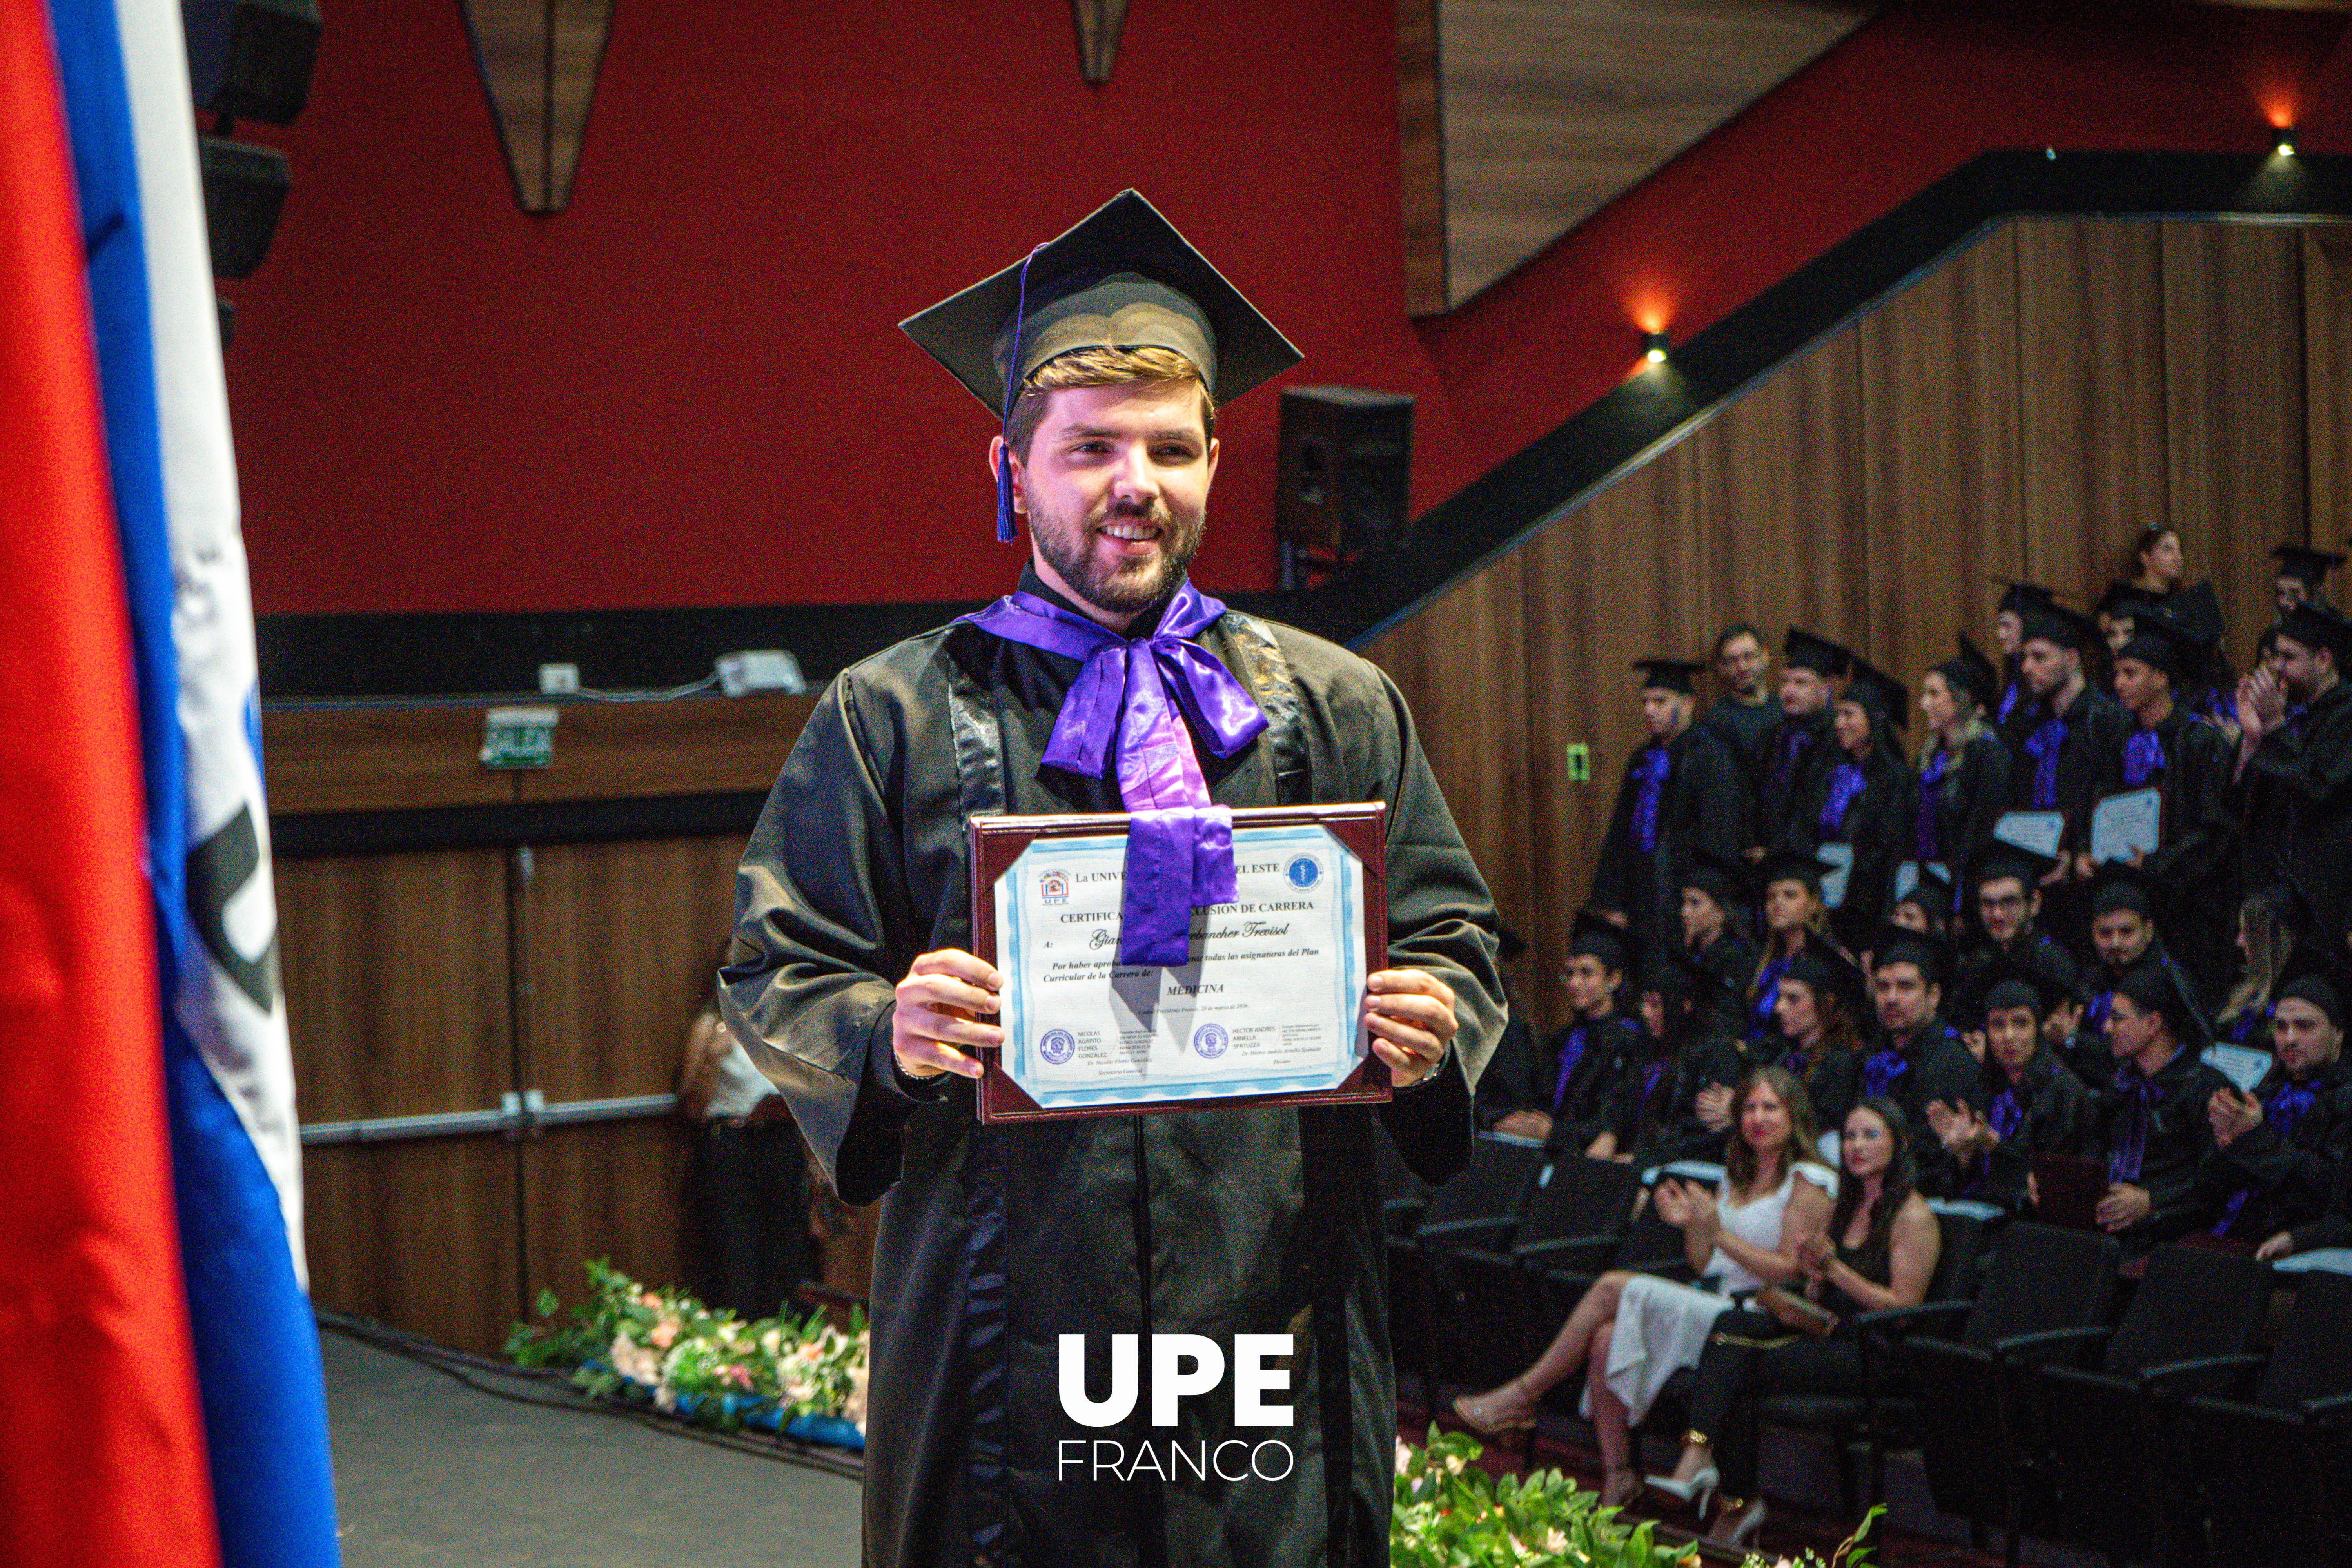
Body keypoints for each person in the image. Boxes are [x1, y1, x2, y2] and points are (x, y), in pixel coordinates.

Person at [719, 192, 1507, 1568]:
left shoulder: (1335, 707)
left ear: (1213, 461)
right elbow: (782, 968)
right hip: (1003, 1318)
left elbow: (1452, 935)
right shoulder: (889, 714)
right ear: (1012, 468)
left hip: (1268, 1304)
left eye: (1168, 447)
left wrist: (1431, 1018)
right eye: (1088, 449)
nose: (1132, 483)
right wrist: (887, 1035)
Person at [1451, 1069, 1833, 1510]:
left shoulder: (1809, 1179)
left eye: (1770, 1107)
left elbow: (1789, 1271)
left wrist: (1718, 1232)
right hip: (1709, 1297)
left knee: (1615, 1285)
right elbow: (1703, 1262)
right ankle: (1620, 1476)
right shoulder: (1738, 1173)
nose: (1757, 1118)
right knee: (1604, 1339)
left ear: (1794, 1115)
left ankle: (1522, 1395)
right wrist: (1691, 1225)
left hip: (1752, 1320)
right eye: (1749, 1108)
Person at [1652, 1099, 1941, 1549]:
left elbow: (1903, 1306)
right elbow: (1818, 1287)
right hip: (1825, 1328)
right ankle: (1713, 1473)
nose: (1856, 1146)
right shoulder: (1843, 1205)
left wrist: (1836, 1271)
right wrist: (1802, 1290)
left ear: (1899, 1144)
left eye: (1870, 1136)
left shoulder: (1913, 1215)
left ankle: (1723, 1483)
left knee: (1736, 1369)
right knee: (1733, 1320)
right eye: (1849, 1136)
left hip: (1874, 1352)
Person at [2106, 603, 2238, 991]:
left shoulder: (2200, 741)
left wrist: (2160, 863)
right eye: (2116, 673)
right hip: (2138, 893)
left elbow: (2215, 828)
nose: (2118, 684)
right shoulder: (2122, 739)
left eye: (2130, 673)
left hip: (2192, 902)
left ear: (2162, 677)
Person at [1588, 659, 1750, 957]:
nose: (1650, 710)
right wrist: (1612, 900)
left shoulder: (1709, 756)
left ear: (1688, 704)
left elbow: (1719, 833)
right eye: (1646, 702)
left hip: (1684, 891)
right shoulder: (1643, 759)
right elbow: (1620, 834)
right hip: (1642, 895)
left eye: (1661, 701)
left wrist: (1707, 898)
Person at [2199, 941, 2352, 1245]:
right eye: (2280, 1028)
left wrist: (2255, 1139)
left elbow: (2330, 1194)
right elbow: (2210, 1184)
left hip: (2304, 1244)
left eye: (2305, 1027)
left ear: (2337, 1034)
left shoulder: (2345, 1099)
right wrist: (2225, 1142)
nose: (2290, 1039)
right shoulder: (2266, 1088)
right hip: (2234, 1231)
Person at [2007, 601, 2130, 942]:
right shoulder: (2029, 725)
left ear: (2073, 659)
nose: (2028, 667)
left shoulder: (2106, 719)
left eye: (2040, 657)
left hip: (2091, 881)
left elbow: (2112, 794)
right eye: (2024, 659)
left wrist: (2079, 849)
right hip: (2041, 877)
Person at [1926, 961, 2096, 1209]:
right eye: (1998, 1025)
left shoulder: (2063, 1091)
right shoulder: (1984, 1085)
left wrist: (1993, 1145)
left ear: (2038, 1029)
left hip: (2035, 1226)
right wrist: (1963, 1152)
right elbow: (1966, 1181)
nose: (2009, 1036)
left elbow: (2052, 1183)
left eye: (2021, 1023)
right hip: (1981, 1213)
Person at [2090, 962, 2232, 1255]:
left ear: (2154, 1024)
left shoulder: (2207, 1090)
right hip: (2110, 1227)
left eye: (2118, 1019)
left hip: (2173, 1239)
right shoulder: (2122, 1082)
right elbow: (2094, 1147)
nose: (2106, 1028)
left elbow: (2217, 1184)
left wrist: (2154, 1201)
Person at [2235, 601, 2352, 950]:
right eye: (2273, 659)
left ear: (2324, 660)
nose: (2276, 670)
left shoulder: (2346, 715)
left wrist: (2274, 728)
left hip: (2327, 900)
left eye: (2288, 658)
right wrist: (2253, 740)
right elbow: (2242, 806)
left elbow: (2319, 788)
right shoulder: (2297, 717)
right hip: (2276, 888)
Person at [1486, 912, 1646, 1154]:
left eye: (1586, 974)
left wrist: (1554, 1131)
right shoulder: (1563, 1039)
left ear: (1613, 980)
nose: (1574, 984)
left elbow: (1614, 1120)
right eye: (1570, 974)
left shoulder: (1630, 1041)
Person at [1856, 926, 1978, 1194]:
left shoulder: (1949, 1062)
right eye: (1882, 987)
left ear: (1933, 996)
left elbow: (1931, 1157)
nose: (1891, 998)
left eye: (1906, 987)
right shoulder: (1873, 1052)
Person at [1801, 659, 1910, 951]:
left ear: (1873, 720)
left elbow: (1889, 852)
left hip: (1867, 905)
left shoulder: (1895, 780)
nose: (1839, 724)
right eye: (1838, 714)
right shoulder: (1833, 772)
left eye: (1849, 715)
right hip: (1826, 898)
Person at [1913, 636, 2011, 920]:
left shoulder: (1987, 754)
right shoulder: (1930, 755)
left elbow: (1981, 828)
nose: (1923, 704)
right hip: (1926, 880)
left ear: (1960, 700)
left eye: (1934, 694)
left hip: (1966, 887)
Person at [1947, 846, 2082, 1029]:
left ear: (2034, 904)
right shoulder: (1977, 962)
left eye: (2009, 902)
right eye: (1988, 904)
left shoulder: (2055, 963)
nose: (1997, 915)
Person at [2060, 870, 2170, 1091]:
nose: (2116, 943)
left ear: (2148, 931)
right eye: (2106, 934)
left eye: (2127, 932)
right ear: (2093, 933)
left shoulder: (2166, 985)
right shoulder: (2091, 979)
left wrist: (2073, 1041)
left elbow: (2130, 1058)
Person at [1755, 631, 1849, 855]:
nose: (1789, 691)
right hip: (1768, 855)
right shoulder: (1772, 735)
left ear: (1825, 689)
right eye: (1785, 682)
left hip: (1814, 856)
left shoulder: (1838, 740)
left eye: (1801, 683)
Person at [1765, 935, 1868, 1131]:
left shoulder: (1841, 1061)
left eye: (1793, 999)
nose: (1779, 1008)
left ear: (1826, 1003)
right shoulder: (1784, 1052)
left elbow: (1822, 1128)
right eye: (1780, 997)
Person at [1744, 851, 1834, 1044]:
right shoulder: (1764, 961)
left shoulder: (1826, 961)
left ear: (1814, 904)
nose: (1777, 903)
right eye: (1771, 897)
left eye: (1790, 895)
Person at [1679, 851, 1759, 1030]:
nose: (1684, 912)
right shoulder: (1691, 953)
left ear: (1721, 912)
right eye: (1684, 903)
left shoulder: (1738, 959)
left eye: (1695, 903)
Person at [2214, 890, 2292, 1051]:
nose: (2239, 942)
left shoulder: (2289, 1000)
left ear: (2264, 940)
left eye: (2245, 931)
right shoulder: (2247, 988)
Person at [1990, 580, 2063, 746]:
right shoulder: (2013, 674)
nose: (2000, 634)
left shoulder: (2044, 681)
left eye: (2007, 626)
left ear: (2027, 623)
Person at [1702, 623, 1779, 779]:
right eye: (1733, 661)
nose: (1742, 667)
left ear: (1765, 657)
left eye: (1749, 656)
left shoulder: (1785, 709)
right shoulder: (1717, 722)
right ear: (1722, 668)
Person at [2272, 543, 2344, 619]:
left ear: (2314, 593)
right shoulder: (2278, 629)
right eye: (2280, 593)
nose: (2284, 602)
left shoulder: (2334, 628)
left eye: (2295, 593)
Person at [2130, 524, 2185, 601]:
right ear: (2145, 557)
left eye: (2180, 550)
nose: (2179, 558)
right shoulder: (2126, 597)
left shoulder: (2181, 601)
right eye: (2168, 550)